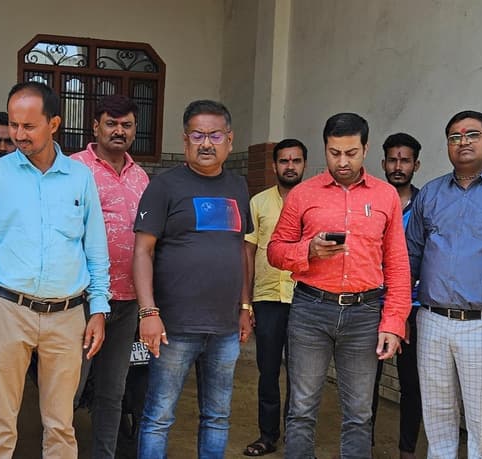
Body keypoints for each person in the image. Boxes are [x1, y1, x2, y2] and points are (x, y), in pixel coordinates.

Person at [0, 81, 110, 459]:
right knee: (0, 420)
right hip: (9, 311)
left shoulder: (80, 177)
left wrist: (99, 308)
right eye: (14, 125)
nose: (18, 135)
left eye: (29, 126)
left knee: (61, 423)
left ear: (53, 123)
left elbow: (95, 249)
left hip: (68, 314)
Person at [268, 112, 410, 458]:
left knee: (360, 413)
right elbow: (275, 250)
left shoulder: (386, 196)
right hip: (311, 311)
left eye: (351, 153)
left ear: (366, 149)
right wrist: (308, 250)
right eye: (334, 153)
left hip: (364, 314)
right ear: (325, 149)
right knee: (301, 408)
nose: (342, 162)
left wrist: (394, 322)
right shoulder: (302, 194)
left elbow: (397, 263)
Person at [134, 99, 253, 458]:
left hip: (225, 328)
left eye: (215, 135)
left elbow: (240, 250)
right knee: (159, 416)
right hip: (174, 326)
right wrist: (148, 312)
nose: (206, 144)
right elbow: (142, 252)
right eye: (198, 135)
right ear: (185, 140)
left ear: (229, 140)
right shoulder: (164, 186)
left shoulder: (238, 186)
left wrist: (245, 306)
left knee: (217, 416)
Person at [407, 110, 482, 458]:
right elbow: (410, 256)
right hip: (432, 321)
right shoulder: (431, 193)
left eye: (472, 135)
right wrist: (398, 313)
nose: (463, 142)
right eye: (455, 137)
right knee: (437, 417)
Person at [71, 94, 149, 458]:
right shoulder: (74, 169)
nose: (119, 131)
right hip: (82, 302)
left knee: (112, 392)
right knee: (68, 390)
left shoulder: (141, 176)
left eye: (126, 125)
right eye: (111, 124)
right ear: (95, 127)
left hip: (128, 301)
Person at [243, 138, 307, 457]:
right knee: (268, 372)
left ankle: (297, 439)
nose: (290, 166)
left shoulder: (314, 201)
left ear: (304, 164)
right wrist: (245, 303)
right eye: (284, 161)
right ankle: (267, 436)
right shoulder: (258, 203)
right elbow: (248, 253)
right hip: (267, 299)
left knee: (301, 376)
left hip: (306, 300)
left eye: (296, 160)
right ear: (274, 165)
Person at [370, 132, 422, 459]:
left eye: (405, 160)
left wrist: (404, 311)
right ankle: (363, 447)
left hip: (414, 308)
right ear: (383, 163)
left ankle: (407, 451)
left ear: (416, 165)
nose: (398, 166)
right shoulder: (372, 201)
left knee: (411, 385)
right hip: (372, 305)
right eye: (392, 160)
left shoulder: (425, 204)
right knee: (365, 384)